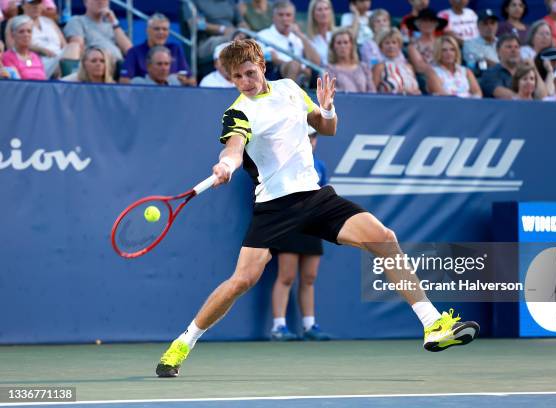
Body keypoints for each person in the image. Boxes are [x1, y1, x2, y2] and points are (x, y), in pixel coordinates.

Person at [154, 38, 480, 377]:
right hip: (274, 205)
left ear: (263, 66)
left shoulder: (291, 89)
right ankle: (183, 342)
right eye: (236, 77)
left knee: (384, 238)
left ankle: (432, 325)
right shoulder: (238, 112)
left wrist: (326, 108)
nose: (245, 83)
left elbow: (327, 128)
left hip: (313, 195)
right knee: (242, 280)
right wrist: (227, 164)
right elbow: (234, 148)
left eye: (249, 73)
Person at [270, 128, 331, 341]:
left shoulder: (320, 166)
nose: (311, 141)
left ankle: (309, 325)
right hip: (289, 225)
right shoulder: (284, 162)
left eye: (313, 137)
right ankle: (279, 327)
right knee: (286, 276)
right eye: (307, 137)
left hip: (313, 226)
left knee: (309, 278)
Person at [119, 13, 194, 86]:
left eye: (164, 29)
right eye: (157, 29)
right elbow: (124, 81)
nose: (161, 32)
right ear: (147, 31)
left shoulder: (175, 49)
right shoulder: (134, 52)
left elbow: (192, 80)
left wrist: (183, 81)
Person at [258, 0, 321, 82]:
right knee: (294, 65)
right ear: (273, 17)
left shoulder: (298, 37)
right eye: (281, 15)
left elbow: (316, 62)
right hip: (274, 75)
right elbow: (264, 60)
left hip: (302, 74)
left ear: (293, 18)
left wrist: (300, 34)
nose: (285, 19)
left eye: (288, 15)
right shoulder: (263, 35)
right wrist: (299, 69)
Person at [3, 0, 69, 78]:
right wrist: (40, 50)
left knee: (74, 50)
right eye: (32, 3)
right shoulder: (15, 21)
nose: (36, 6)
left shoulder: (49, 22)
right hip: (41, 61)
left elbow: (66, 46)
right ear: (23, 5)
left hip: (60, 59)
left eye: (38, 3)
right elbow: (12, 47)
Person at [63, 0, 132, 63]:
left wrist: (114, 23)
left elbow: (130, 51)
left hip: (119, 67)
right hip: (96, 66)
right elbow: (78, 49)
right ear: (85, 2)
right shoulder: (77, 21)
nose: (100, 1)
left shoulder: (113, 26)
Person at [183, 0, 245, 66]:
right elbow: (196, 24)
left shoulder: (229, 2)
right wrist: (222, 29)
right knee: (235, 41)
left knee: (253, 40)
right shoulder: (193, 2)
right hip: (206, 42)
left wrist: (244, 32)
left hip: (234, 35)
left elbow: (241, 22)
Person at [479, 33, 539, 99]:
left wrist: (534, 68)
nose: (514, 50)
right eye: (509, 47)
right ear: (498, 51)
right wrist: (525, 99)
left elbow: (542, 95)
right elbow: (500, 93)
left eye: (517, 47)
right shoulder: (490, 73)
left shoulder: (526, 72)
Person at [372, 27, 420, 95]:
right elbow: (372, 92)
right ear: (381, 47)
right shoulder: (379, 67)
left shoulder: (409, 67)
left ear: (399, 46)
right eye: (387, 43)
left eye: (394, 43)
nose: (391, 46)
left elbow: (417, 90)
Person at [326, 28, 374, 93]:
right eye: (339, 43)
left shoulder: (363, 67)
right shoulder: (329, 70)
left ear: (351, 45)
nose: (342, 46)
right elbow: (329, 94)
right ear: (333, 46)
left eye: (346, 42)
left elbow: (372, 92)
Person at [2, 15, 45, 79]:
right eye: (21, 32)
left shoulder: (36, 57)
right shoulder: (7, 57)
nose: (26, 35)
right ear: (13, 35)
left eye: (29, 31)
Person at [406, 8, 447, 75]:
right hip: (427, 79)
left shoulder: (443, 42)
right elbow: (419, 67)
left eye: (431, 21)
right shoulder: (413, 46)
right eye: (424, 21)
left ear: (436, 24)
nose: (428, 24)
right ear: (418, 24)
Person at [306, 0, 335, 67]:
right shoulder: (308, 39)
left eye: (326, 9)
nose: (324, 13)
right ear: (313, 14)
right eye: (319, 10)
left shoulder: (338, 34)